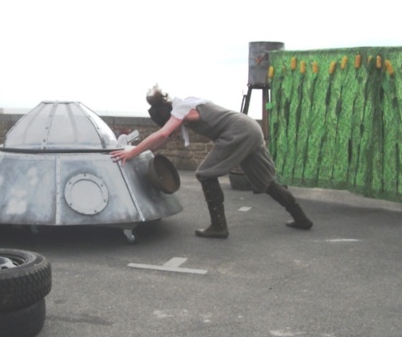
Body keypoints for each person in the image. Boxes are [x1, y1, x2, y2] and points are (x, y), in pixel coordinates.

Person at [110, 85, 313, 238]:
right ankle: (301, 218)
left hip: (238, 132)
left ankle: (218, 226)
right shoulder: (187, 105)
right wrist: (141, 153)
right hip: (250, 127)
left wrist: (131, 153)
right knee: (265, 181)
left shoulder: (181, 109)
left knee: (205, 173)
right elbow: (162, 140)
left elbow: (162, 134)